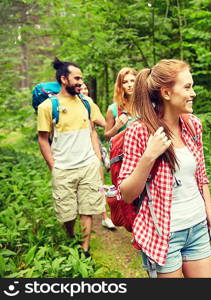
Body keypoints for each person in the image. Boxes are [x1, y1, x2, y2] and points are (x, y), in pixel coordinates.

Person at [117, 59, 211, 278]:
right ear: (166, 93)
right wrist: (149, 155)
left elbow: (201, 179)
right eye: (187, 87)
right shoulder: (140, 131)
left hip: (197, 228)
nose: (193, 93)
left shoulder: (193, 125)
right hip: (163, 234)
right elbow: (126, 194)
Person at [37, 58, 106, 257]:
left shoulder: (86, 102)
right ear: (63, 79)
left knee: (87, 209)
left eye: (81, 78)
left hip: (87, 166)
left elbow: (101, 126)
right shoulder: (48, 107)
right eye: (76, 78)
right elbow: (43, 139)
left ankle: (85, 250)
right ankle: (70, 236)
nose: (80, 82)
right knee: (67, 213)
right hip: (63, 168)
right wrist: (53, 165)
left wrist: (96, 158)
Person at [80, 83, 115, 230]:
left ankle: (105, 217)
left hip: (95, 147)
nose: (84, 91)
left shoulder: (90, 106)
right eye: (81, 89)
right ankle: (83, 213)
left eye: (86, 88)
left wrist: (116, 122)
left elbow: (105, 124)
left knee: (100, 183)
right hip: (79, 151)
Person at [104, 67, 138, 140]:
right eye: (125, 82)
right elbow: (106, 137)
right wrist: (116, 127)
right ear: (120, 85)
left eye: (132, 81)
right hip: (123, 150)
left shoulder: (144, 105)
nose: (129, 85)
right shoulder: (113, 109)